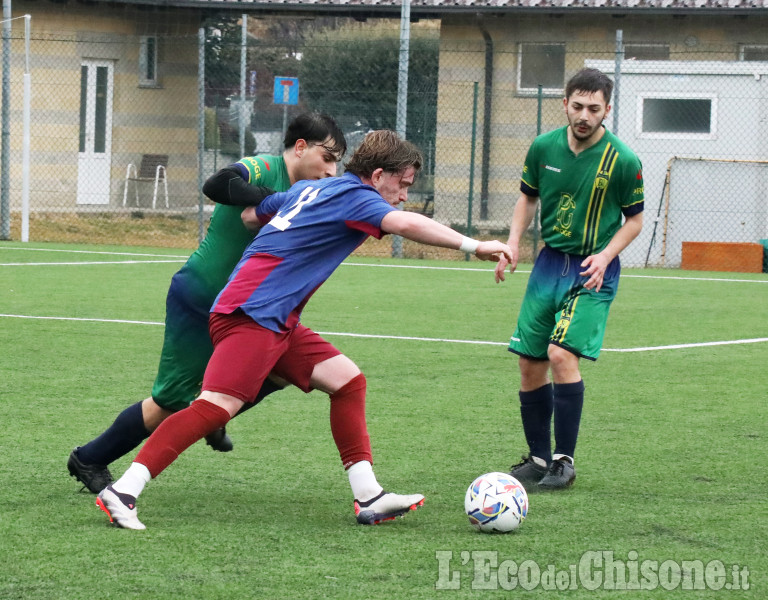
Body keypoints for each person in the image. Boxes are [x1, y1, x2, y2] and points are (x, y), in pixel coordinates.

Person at [96, 129, 514, 529]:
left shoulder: (309, 188)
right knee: (214, 407)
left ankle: (368, 496)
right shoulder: (357, 195)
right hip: (254, 311)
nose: (403, 197)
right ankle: (125, 490)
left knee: (347, 381)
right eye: (402, 185)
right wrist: (474, 245)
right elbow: (403, 224)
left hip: (270, 314)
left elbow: (249, 215)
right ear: (378, 176)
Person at [68, 113, 347, 493]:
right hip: (201, 296)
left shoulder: (310, 191)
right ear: (300, 148)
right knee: (169, 399)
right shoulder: (265, 167)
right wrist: (271, 201)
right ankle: (90, 457)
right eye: (327, 157)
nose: (332, 170)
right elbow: (217, 183)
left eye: (338, 163)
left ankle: (213, 412)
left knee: (283, 371)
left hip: (249, 309)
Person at [494, 68, 644, 490]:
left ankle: (564, 460)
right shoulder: (543, 147)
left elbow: (635, 220)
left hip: (592, 270)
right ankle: (539, 458)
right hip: (548, 265)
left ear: (607, 111)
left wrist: (606, 255)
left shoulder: (623, 160)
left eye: (593, 109)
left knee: (561, 355)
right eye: (577, 106)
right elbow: (527, 197)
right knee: (530, 361)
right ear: (565, 104)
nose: (584, 115)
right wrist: (513, 243)